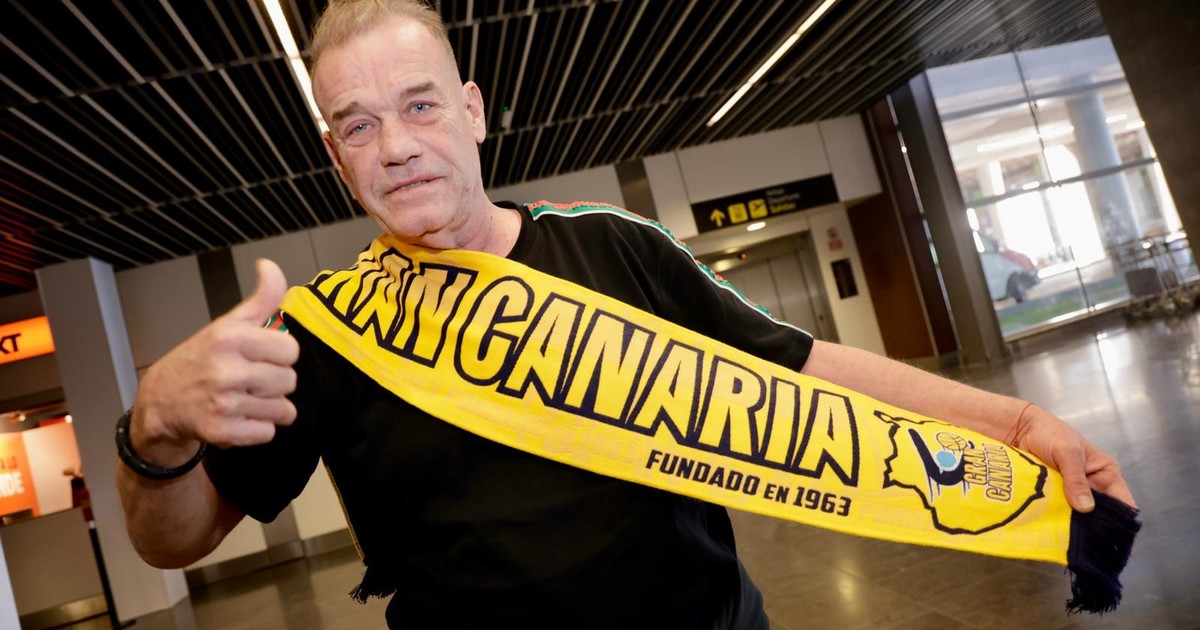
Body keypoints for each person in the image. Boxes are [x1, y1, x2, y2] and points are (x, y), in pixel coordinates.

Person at [115, 1, 1136, 628]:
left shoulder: (615, 246)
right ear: (335, 156)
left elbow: (801, 367)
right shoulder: (325, 335)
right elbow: (177, 541)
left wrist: (1014, 422)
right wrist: (152, 433)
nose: (396, 146)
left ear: (472, 111)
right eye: (358, 125)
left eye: (420, 105)